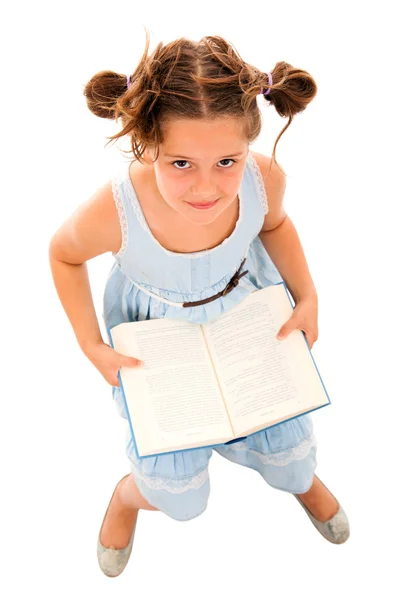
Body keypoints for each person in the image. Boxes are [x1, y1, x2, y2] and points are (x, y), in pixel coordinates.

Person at [49, 32, 350, 578]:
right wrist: (91, 344)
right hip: (159, 336)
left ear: (247, 147)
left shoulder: (263, 180)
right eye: (181, 163)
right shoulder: (116, 208)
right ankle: (127, 496)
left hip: (244, 314)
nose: (207, 188)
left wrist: (307, 295)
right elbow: (63, 255)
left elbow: (275, 224)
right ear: (147, 145)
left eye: (227, 161)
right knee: (180, 498)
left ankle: (298, 481)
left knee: (288, 446)